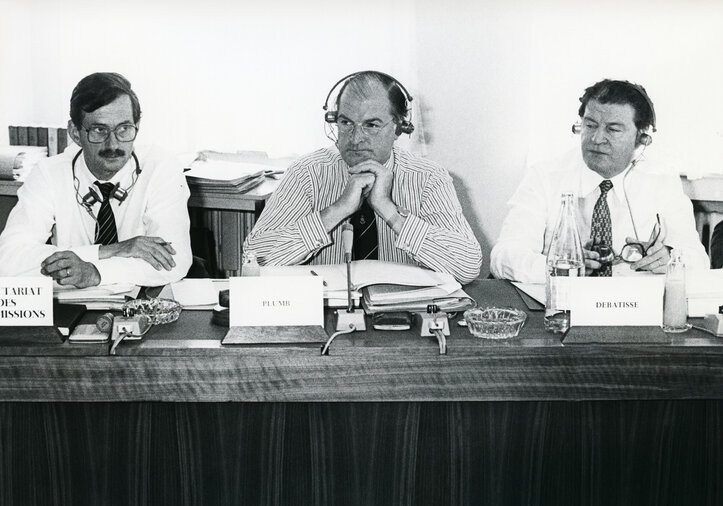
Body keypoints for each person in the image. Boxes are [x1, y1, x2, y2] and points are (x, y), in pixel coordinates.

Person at [244, 71, 482, 284]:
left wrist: (389, 210)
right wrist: (337, 210)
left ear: (399, 127)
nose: (355, 138)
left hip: (402, 319)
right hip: (325, 317)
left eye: (371, 125)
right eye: (346, 122)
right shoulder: (307, 173)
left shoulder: (429, 178)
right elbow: (255, 261)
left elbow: (467, 267)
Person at [490, 79, 708, 283]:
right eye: (590, 125)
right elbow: (503, 257)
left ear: (641, 138)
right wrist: (557, 266)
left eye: (612, 129)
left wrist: (670, 258)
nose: (596, 139)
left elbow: (698, 261)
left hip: (631, 312)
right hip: (561, 307)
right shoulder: (545, 176)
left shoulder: (661, 182)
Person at [0, 72, 192, 288]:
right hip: (72, 309)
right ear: (75, 132)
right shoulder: (49, 173)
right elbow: (8, 260)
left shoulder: (160, 166)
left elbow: (173, 262)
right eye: (99, 130)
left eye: (124, 128)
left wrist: (94, 272)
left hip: (142, 307)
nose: (113, 144)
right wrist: (110, 250)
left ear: (137, 126)